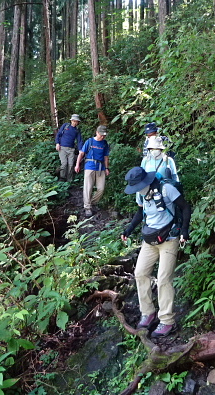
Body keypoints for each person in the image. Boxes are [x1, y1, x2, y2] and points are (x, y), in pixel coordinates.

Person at [121, 167, 191, 338]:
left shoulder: (166, 189)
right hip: (150, 239)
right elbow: (140, 212)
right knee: (140, 273)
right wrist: (129, 229)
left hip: (169, 238)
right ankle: (148, 312)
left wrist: (184, 231)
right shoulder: (141, 192)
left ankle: (167, 321)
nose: (136, 190)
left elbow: (185, 207)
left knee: (163, 279)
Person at [75, 125, 110, 217]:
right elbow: (81, 153)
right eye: (101, 135)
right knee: (88, 188)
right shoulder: (89, 141)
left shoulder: (104, 143)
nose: (102, 137)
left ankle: (92, 202)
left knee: (101, 189)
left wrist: (106, 168)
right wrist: (77, 165)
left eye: (104, 135)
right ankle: (87, 208)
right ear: (97, 132)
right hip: (89, 166)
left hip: (101, 167)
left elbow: (106, 157)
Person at [55, 114, 83, 182]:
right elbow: (58, 134)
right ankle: (62, 178)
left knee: (70, 165)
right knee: (64, 163)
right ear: (71, 121)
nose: (75, 123)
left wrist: (80, 150)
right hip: (62, 148)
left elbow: (79, 140)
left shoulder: (77, 130)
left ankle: (69, 180)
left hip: (71, 149)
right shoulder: (65, 126)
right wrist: (57, 143)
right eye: (74, 121)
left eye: (76, 121)